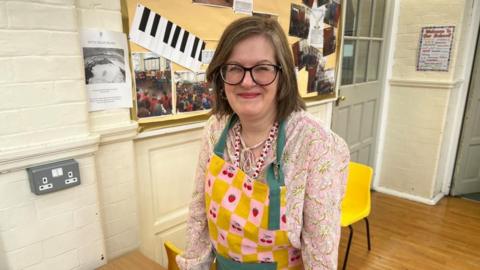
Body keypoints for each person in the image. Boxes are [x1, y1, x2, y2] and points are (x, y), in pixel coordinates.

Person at [177, 16, 350, 270]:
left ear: (283, 75)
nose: (247, 81)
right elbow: (198, 214)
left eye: (262, 68)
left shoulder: (315, 144)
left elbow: (320, 251)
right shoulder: (215, 128)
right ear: (221, 76)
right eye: (234, 67)